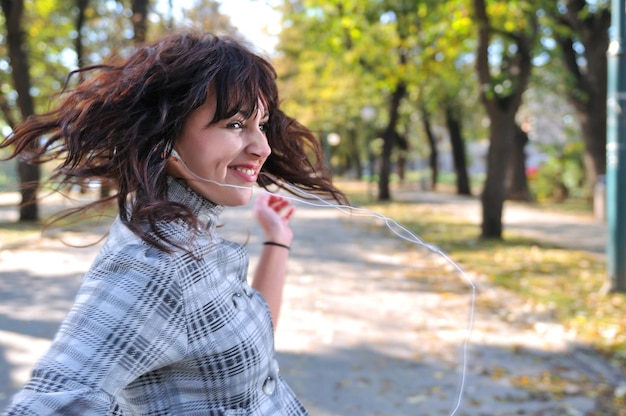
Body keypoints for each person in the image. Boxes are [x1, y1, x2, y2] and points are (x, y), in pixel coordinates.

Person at [1, 32, 346, 415]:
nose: (262, 147)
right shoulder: (155, 263)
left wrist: (278, 241)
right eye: (234, 124)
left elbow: (241, 342)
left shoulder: (189, 234)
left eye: (261, 125)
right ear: (165, 138)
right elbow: (49, 405)